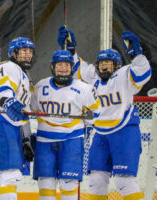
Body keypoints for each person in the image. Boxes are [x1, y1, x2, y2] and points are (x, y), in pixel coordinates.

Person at [57, 26, 151, 200]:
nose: (104, 66)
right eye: (101, 63)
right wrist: (70, 50)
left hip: (125, 132)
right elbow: (78, 67)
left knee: (124, 182)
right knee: (96, 180)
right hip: (100, 135)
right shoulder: (94, 77)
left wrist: (137, 53)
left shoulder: (124, 75)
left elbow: (143, 73)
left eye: (108, 63)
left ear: (117, 65)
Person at [29, 50, 100, 200]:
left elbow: (95, 114)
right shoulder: (40, 87)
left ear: (72, 68)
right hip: (44, 142)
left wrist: (89, 120)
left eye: (67, 65)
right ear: (53, 67)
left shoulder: (84, 89)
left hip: (72, 141)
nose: (63, 68)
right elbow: (32, 109)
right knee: (45, 183)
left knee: (69, 184)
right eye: (59, 64)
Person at [0, 37, 35, 200]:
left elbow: (23, 115)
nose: (27, 55)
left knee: (9, 177)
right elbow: (4, 89)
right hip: (0, 124)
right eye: (23, 51)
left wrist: (26, 140)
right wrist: (8, 101)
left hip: (11, 128)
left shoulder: (25, 78)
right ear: (13, 53)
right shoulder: (8, 66)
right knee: (11, 174)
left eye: (30, 51)